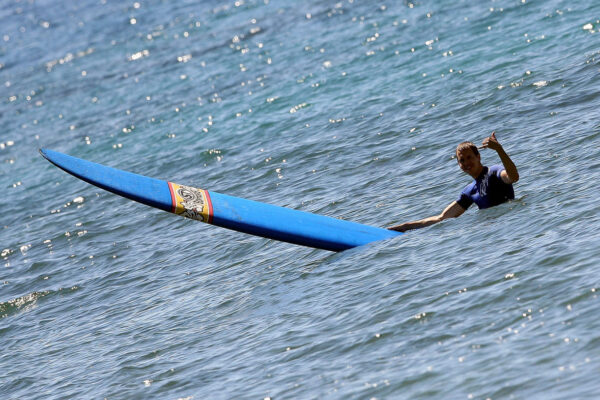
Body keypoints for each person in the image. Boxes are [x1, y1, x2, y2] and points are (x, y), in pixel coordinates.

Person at [387, 132, 519, 232]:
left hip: (509, 226)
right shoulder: (469, 191)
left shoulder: (494, 172)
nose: (466, 163)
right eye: (462, 160)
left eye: (469, 157)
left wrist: (499, 150)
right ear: (459, 164)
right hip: (490, 232)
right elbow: (442, 218)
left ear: (478, 157)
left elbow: (513, 177)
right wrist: (404, 227)